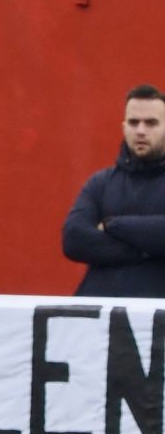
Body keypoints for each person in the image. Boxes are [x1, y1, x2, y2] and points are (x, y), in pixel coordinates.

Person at [62, 84, 165, 298]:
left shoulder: (106, 203)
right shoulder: (100, 183)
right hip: (96, 320)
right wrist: (148, 250)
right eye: (133, 122)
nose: (141, 131)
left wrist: (112, 225)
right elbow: (74, 240)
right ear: (123, 127)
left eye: (151, 123)